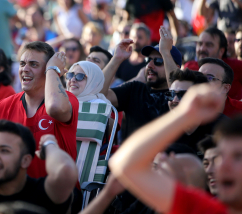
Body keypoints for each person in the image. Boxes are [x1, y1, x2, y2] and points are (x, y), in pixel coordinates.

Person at [108, 84, 242, 214]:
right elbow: (124, 164)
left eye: (238, 157)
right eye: (220, 157)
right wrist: (185, 114)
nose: (222, 166)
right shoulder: (204, 209)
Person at [0, 41, 79, 180]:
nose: (25, 69)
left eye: (33, 64)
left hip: (58, 193)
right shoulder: (6, 105)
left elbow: (55, 108)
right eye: (22, 64)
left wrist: (52, 70)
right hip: (15, 192)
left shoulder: (67, 99)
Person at [100, 27, 182, 141]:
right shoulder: (135, 89)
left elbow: (177, 91)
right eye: (148, 60)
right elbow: (99, 95)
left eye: (158, 61)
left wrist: (166, 52)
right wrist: (116, 59)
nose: (150, 66)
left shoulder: (181, 96)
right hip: (134, 157)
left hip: (168, 157)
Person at [167, 68, 228, 155]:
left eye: (183, 95)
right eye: (171, 94)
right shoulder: (165, 131)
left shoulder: (221, 128)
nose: (174, 100)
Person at [184, 27, 242, 100]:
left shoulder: (237, 66)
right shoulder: (189, 67)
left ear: (221, 51)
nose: (202, 48)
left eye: (209, 45)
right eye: (200, 44)